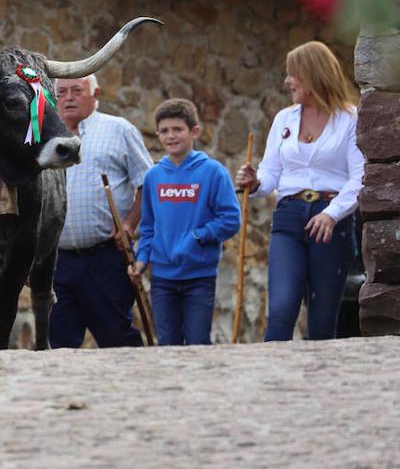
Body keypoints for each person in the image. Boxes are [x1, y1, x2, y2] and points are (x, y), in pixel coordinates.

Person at [235, 41, 363, 341]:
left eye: (294, 74)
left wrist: (332, 215)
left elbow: (359, 178)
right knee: (280, 311)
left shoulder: (350, 119)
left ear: (314, 75)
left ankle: (319, 385)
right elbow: (271, 173)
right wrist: (254, 182)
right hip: (289, 217)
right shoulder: (284, 119)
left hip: (332, 222)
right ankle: (272, 383)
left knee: (322, 319)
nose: (287, 81)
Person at [50, 75, 153, 348]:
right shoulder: (44, 135)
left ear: (95, 93)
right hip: (57, 261)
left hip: (105, 256)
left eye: (76, 91)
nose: (68, 97)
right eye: (61, 92)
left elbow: (147, 183)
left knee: (115, 336)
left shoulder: (119, 129)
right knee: (58, 341)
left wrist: (129, 224)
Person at [130, 99, 240, 345]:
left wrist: (198, 236)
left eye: (178, 129)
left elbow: (231, 219)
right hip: (162, 278)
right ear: (158, 134)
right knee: (167, 343)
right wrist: (141, 259)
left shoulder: (214, 172)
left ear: (195, 131)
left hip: (199, 277)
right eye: (165, 131)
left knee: (197, 342)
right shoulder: (153, 177)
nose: (171, 136)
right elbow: (148, 228)